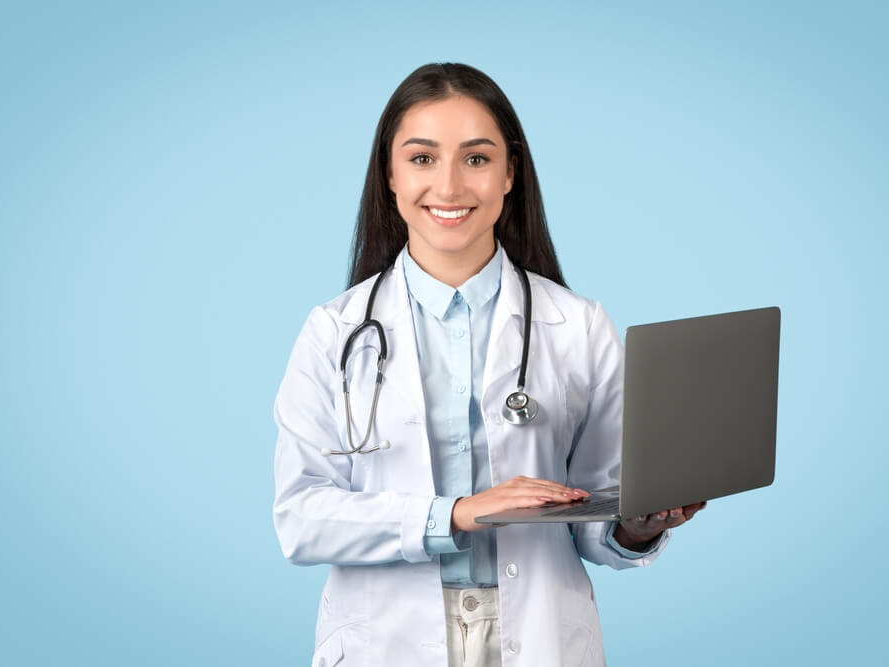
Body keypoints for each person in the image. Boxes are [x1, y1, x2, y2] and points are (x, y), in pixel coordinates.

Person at [272, 63, 705, 667]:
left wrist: (638, 525)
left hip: (541, 635)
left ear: (509, 174)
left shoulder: (578, 325)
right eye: (422, 158)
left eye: (475, 159)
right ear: (389, 175)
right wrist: (455, 513)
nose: (448, 186)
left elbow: (593, 512)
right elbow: (302, 518)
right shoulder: (334, 331)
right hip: (385, 639)